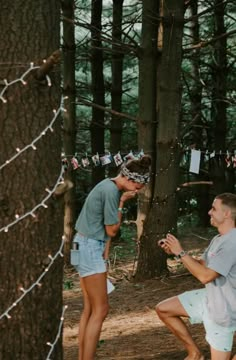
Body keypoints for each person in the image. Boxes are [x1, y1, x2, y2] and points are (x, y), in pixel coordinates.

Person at [72, 155, 151, 360]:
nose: (139, 190)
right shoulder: (112, 192)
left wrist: (104, 251)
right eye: (140, 186)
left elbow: (104, 231)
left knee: (90, 308)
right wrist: (122, 203)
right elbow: (112, 229)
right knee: (101, 309)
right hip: (88, 248)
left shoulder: (107, 184)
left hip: (82, 245)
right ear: (133, 180)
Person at [155, 192, 236, 360]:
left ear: (227, 214)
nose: (209, 212)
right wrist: (176, 253)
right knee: (164, 309)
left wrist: (181, 252)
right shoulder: (219, 239)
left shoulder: (232, 242)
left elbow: (206, 277)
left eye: (214, 208)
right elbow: (203, 265)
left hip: (225, 310)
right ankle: (195, 353)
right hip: (211, 298)